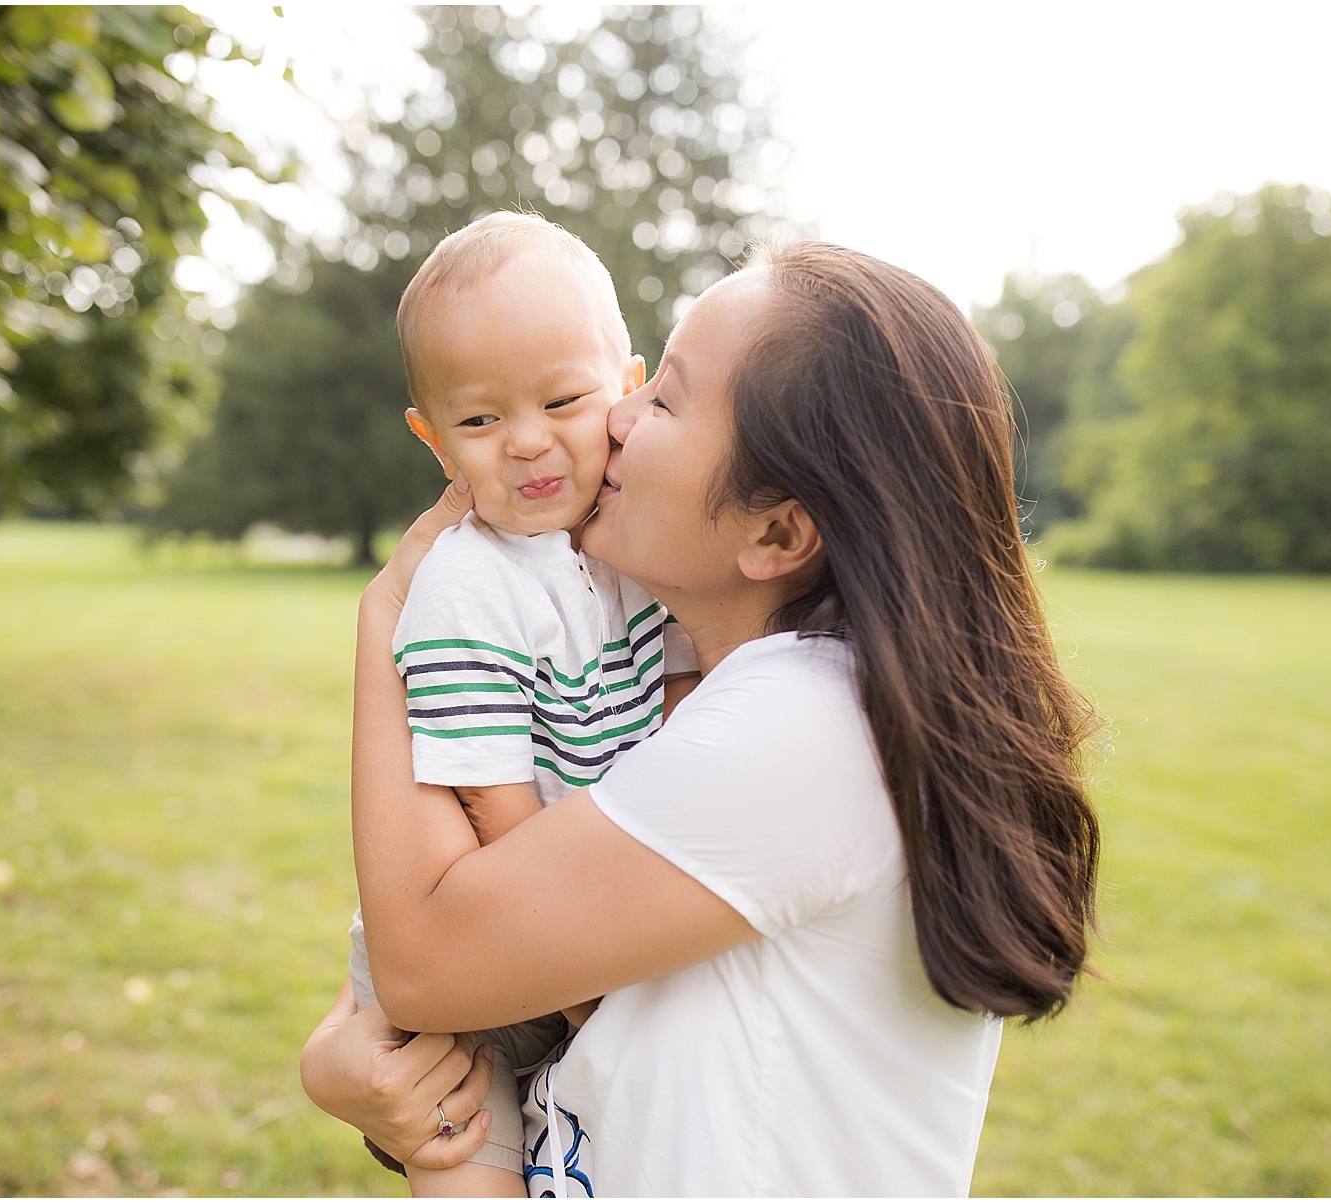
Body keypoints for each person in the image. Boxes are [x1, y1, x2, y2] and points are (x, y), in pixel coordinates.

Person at [302, 243, 1102, 1196]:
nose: (617, 416)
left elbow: (430, 964)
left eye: (666, 398)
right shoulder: (722, 698)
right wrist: (340, 1060)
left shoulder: (802, 731)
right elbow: (488, 966)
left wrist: (391, 616)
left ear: (777, 532)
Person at [343, 211, 698, 1196]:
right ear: (433, 439)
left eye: (564, 399)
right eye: (481, 420)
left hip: (571, 901)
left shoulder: (631, 548)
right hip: (482, 934)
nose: (530, 443)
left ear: (626, 389)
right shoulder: (468, 587)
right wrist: (574, 973)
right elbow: (490, 797)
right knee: (468, 1146)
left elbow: (675, 685)